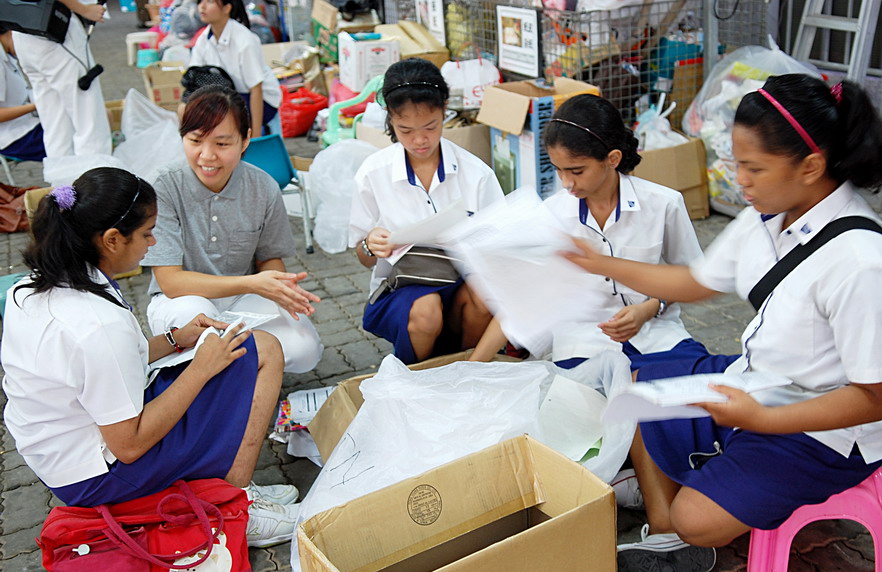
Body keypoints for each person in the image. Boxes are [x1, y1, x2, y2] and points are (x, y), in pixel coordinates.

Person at [564, 74, 882, 572]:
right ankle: (665, 521)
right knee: (638, 383)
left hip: (824, 431)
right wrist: (604, 263)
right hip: (758, 382)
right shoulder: (770, 214)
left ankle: (681, 508)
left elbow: (873, 397)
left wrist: (763, 419)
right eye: (736, 163)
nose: (739, 180)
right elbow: (694, 280)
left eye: (753, 167)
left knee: (699, 519)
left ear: (811, 166)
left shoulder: (862, 261)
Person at [1, 167, 302, 547]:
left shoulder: (33, 285)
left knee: (255, 347)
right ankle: (233, 507)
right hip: (97, 474)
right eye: (146, 233)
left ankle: (231, 492)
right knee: (256, 353)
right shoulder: (96, 324)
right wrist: (201, 368)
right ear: (112, 239)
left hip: (62, 450)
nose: (152, 241)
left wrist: (176, 339)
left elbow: (109, 362)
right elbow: (129, 444)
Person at [471, 93, 735, 381]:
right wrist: (469, 370)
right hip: (583, 344)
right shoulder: (551, 215)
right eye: (558, 170)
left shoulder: (663, 204)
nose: (566, 183)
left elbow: (690, 276)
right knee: (597, 409)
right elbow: (519, 304)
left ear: (612, 159)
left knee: (692, 390)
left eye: (577, 171)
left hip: (657, 337)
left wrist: (648, 308)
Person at [143, 86, 323, 374]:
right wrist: (254, 283)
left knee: (305, 351)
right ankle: (233, 375)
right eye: (195, 141)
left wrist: (279, 287)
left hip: (244, 299)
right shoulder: (162, 186)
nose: (207, 156)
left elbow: (269, 259)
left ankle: (237, 370)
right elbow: (171, 282)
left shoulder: (263, 187)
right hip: (182, 300)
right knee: (201, 330)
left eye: (222, 144)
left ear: (245, 140)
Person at [349, 58, 505, 364]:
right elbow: (363, 256)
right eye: (405, 130)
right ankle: (420, 372)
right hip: (405, 287)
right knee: (426, 309)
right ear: (390, 120)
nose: (419, 140)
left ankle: (464, 366)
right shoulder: (372, 174)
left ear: (445, 110)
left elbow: (499, 247)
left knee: (486, 296)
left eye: (430, 127)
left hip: (463, 282)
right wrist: (371, 244)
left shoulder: (476, 173)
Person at [11, 0, 112, 158]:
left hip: (24, 28)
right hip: (55, 29)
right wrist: (84, 9)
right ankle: (94, 177)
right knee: (87, 118)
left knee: (54, 120)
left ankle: (61, 179)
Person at [187, 0, 281, 137]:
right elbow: (195, 78)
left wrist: (254, 136)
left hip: (260, 101)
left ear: (227, 8)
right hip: (231, 97)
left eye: (210, 1)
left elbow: (256, 90)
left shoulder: (245, 40)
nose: (202, 6)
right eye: (201, 1)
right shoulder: (203, 40)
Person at [0, 24, 46, 161]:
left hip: (28, 124)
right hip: (15, 137)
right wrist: (36, 105)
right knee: (80, 135)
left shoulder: (6, 53)